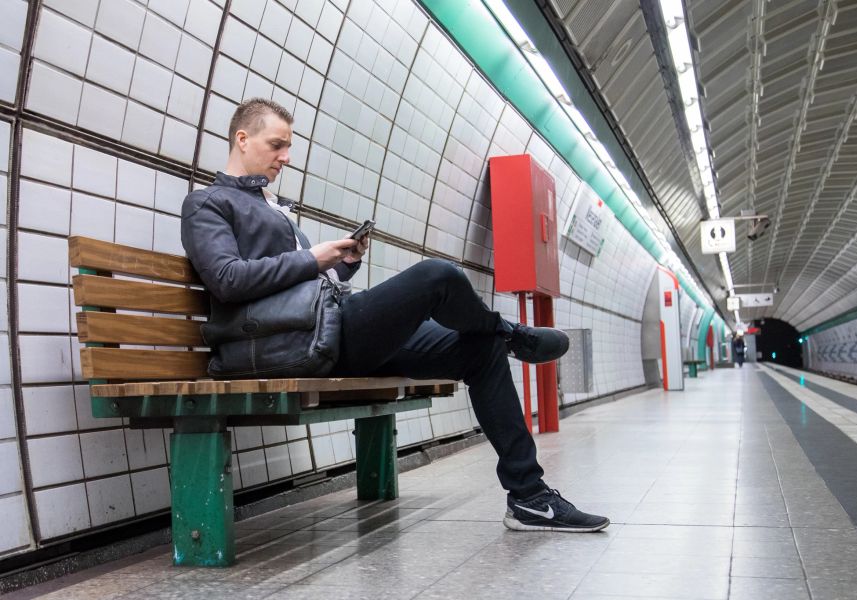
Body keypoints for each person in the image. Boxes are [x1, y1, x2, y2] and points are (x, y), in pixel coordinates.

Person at [181, 98, 609, 533]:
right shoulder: (207, 204)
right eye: (277, 145)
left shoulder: (270, 204)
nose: (286, 157)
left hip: (325, 327)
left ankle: (530, 498)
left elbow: (291, 283)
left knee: (481, 351)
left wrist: (341, 262)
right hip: (291, 343)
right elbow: (227, 280)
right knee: (436, 276)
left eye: (288, 147)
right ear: (242, 138)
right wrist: (314, 258)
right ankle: (511, 331)